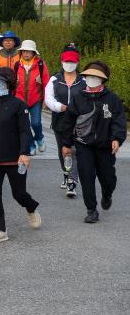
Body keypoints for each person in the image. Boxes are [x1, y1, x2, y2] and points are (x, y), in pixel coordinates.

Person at [0, 68, 41, 244]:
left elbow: (24, 131)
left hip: (15, 159)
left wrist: (25, 153)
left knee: (19, 193)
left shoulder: (18, 105)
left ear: (7, 83)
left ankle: (31, 207)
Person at [60, 61, 127, 224]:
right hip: (83, 145)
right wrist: (66, 144)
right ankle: (91, 210)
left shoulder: (112, 99)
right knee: (86, 177)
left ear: (103, 79)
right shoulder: (78, 98)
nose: (92, 78)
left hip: (105, 146)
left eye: (96, 76)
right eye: (89, 76)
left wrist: (116, 138)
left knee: (108, 178)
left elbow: (119, 120)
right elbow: (68, 122)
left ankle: (107, 194)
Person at [44, 45, 85, 198]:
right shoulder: (55, 79)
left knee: (74, 151)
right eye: (67, 61)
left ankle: (72, 182)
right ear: (62, 62)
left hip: (79, 121)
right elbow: (48, 98)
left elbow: (88, 98)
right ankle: (66, 174)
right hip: (60, 120)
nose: (69, 64)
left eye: (72, 61)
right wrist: (58, 106)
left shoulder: (83, 80)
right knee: (63, 150)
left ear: (77, 62)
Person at [13, 40, 50, 155]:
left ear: (34, 53)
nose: (26, 53)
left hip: (36, 100)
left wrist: (46, 99)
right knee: (25, 125)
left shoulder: (40, 64)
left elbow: (46, 83)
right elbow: (12, 83)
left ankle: (39, 137)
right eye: (24, 51)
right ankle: (31, 145)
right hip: (20, 100)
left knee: (36, 123)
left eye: (28, 51)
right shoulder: (17, 65)